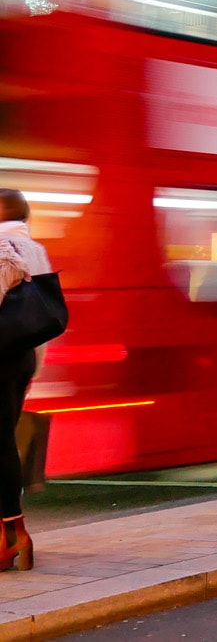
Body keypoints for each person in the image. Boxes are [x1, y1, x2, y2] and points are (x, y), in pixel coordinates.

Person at [0, 191, 49, 571]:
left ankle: (13, 536)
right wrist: (33, 369)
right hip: (23, 358)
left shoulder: (3, 245)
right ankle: (11, 535)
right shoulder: (36, 249)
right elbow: (42, 319)